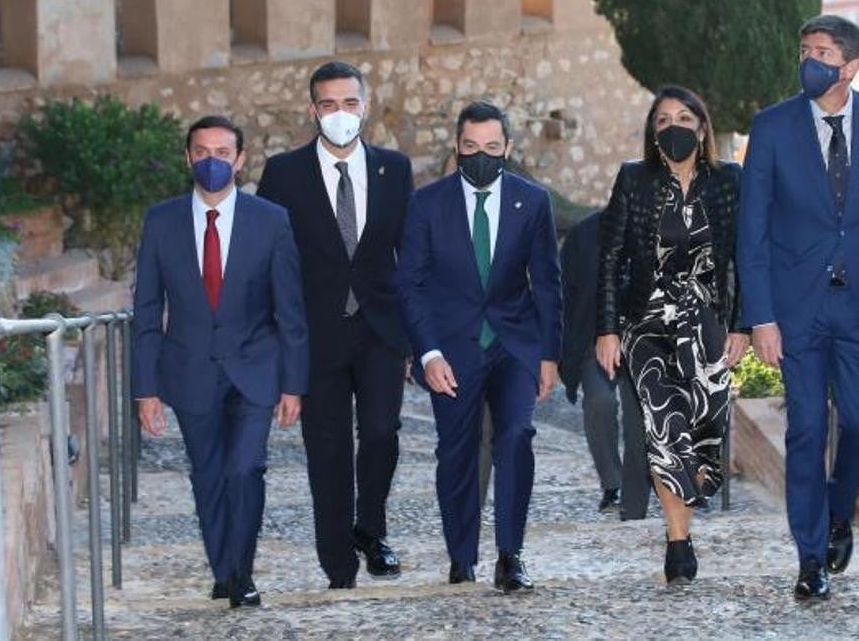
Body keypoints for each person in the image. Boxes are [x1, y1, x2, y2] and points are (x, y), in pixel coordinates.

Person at [737, 15, 859, 602]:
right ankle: (810, 558)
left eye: (822, 52)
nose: (809, 60)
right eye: (805, 49)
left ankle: (839, 514)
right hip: (796, 312)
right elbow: (753, 232)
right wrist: (760, 316)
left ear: (851, 66)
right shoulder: (771, 128)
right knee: (807, 429)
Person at [132, 116, 309, 608]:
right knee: (207, 473)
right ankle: (224, 567)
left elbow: (289, 309)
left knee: (245, 469)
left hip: (255, 368)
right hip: (188, 370)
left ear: (240, 160)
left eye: (223, 152)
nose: (213, 161)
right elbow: (146, 308)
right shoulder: (161, 221)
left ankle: (242, 574)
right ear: (189, 158)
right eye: (203, 152)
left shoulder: (270, 220)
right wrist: (145, 389)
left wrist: (293, 384)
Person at [256, 61, 413, 589]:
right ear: (312, 111)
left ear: (365, 106)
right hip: (314, 336)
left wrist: (418, 338)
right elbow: (268, 263)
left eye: (350, 103)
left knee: (381, 432)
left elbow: (409, 259)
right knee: (326, 450)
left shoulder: (396, 169)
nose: (340, 114)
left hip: (380, 331)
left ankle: (370, 528)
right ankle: (338, 564)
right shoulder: (283, 174)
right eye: (328, 105)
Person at [397, 101, 563, 593]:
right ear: (457, 147)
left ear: (508, 149)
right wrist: (427, 354)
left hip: (514, 344)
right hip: (451, 349)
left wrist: (549, 355)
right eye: (471, 147)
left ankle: (511, 555)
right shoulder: (427, 204)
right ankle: (461, 556)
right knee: (456, 451)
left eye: (492, 147)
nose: (481, 156)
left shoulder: (532, 202)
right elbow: (410, 284)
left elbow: (548, 284)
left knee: (515, 437)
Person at [595, 86, 749, 585]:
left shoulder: (728, 182)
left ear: (702, 128)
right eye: (663, 120)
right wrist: (607, 329)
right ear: (652, 132)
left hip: (707, 323)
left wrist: (743, 325)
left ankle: (689, 500)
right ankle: (677, 541)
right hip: (647, 322)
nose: (674, 126)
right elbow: (611, 259)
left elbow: (745, 259)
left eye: (685, 117)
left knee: (704, 430)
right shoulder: (634, 180)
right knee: (664, 426)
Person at [560, 210, 649, 519]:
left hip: (644, 343)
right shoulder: (582, 235)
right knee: (600, 402)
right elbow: (564, 293)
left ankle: (638, 491)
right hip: (592, 341)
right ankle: (613, 484)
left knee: (639, 417)